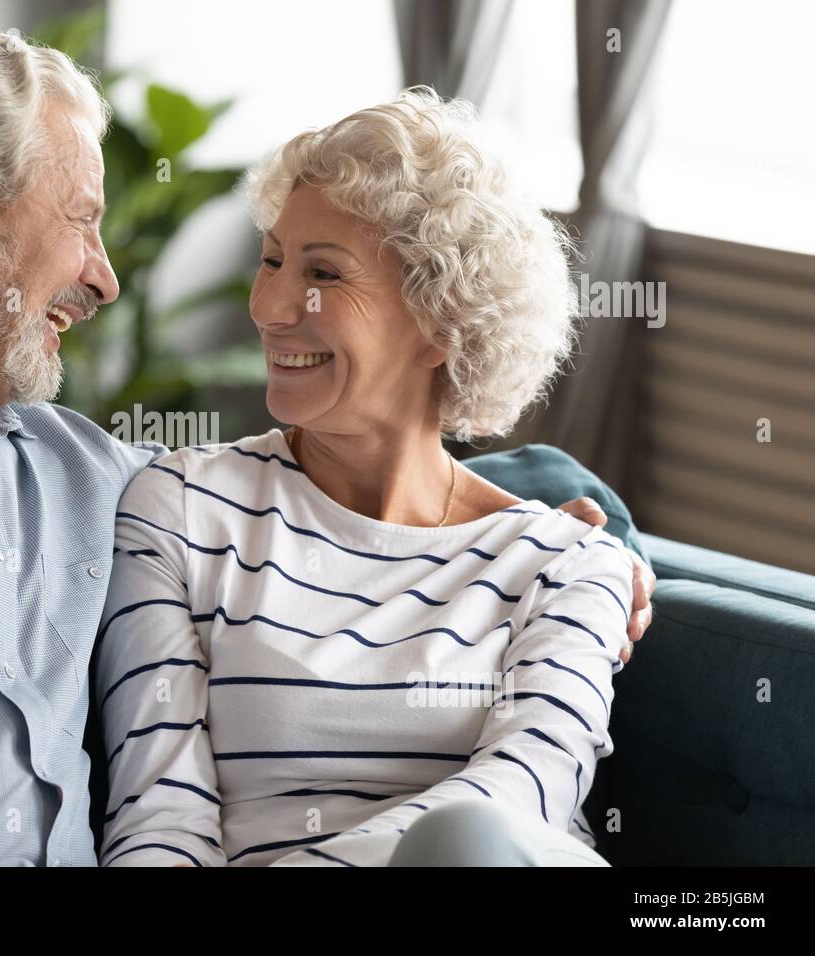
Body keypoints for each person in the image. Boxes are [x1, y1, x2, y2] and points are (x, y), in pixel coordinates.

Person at [0, 26, 649, 866]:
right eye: (84, 218)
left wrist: (572, 535)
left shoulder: (87, 474)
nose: (106, 276)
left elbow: (341, 488)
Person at [96, 89, 642, 867]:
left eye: (322, 273)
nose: (270, 306)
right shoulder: (181, 511)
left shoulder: (571, 566)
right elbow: (158, 819)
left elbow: (524, 794)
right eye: (273, 259)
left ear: (440, 321)